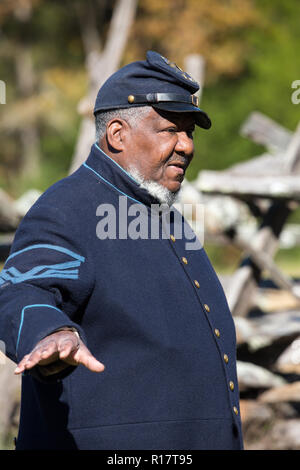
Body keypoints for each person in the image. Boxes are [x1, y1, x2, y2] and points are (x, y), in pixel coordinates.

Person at [0, 51, 243, 450]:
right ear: (117, 134)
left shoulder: (159, 208)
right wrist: (50, 331)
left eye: (190, 133)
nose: (186, 146)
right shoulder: (68, 208)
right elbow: (21, 291)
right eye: (170, 130)